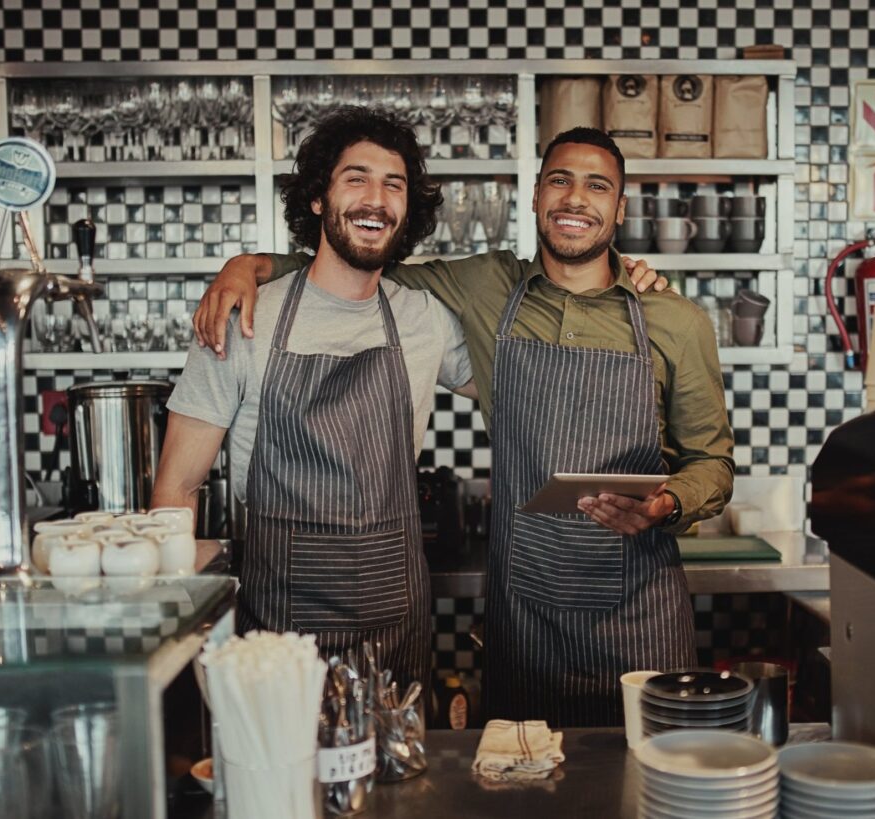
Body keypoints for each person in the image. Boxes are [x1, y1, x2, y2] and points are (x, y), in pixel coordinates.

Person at [193, 127, 734, 727]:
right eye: (560, 180)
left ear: (620, 207)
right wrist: (247, 265)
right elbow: (354, 262)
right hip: (523, 620)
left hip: (638, 613)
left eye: (597, 186)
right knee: (523, 779)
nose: (576, 199)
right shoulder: (485, 286)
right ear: (534, 196)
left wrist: (668, 503)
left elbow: (713, 462)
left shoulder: (676, 320)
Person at [151, 107, 476, 691]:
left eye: (393, 184)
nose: (376, 199)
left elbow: (523, 389)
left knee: (396, 782)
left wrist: (614, 277)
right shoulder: (244, 317)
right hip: (279, 637)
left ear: (408, 210)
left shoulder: (426, 318)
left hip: (395, 629)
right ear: (319, 201)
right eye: (356, 178)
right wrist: (173, 626)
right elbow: (176, 488)